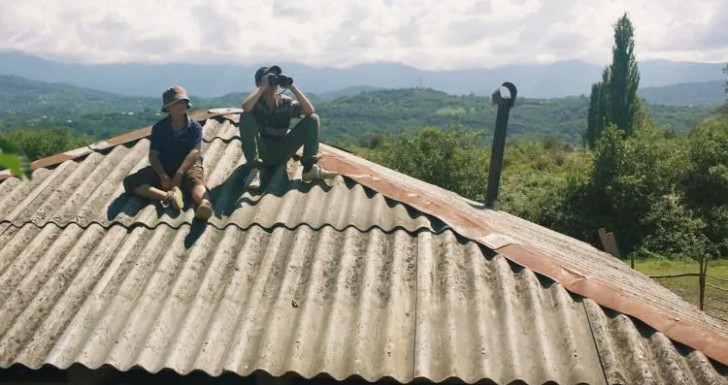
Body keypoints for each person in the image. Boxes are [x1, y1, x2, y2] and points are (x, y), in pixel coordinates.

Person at [123, 85, 214, 221]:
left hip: (188, 165)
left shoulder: (195, 127)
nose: (180, 106)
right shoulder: (159, 128)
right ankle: (168, 197)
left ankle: (205, 204)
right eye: (176, 103)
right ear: (168, 108)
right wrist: (162, 175)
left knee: (196, 181)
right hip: (165, 165)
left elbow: (194, 152)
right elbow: (153, 155)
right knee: (131, 181)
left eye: (182, 102)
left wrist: (179, 173)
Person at [239, 65, 335, 189]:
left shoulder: (285, 102)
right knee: (246, 116)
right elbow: (246, 107)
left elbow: (310, 110)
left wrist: (292, 87)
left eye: (275, 79)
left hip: (282, 151)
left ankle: (309, 169)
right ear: (259, 82)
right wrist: (263, 87)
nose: (273, 82)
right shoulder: (255, 103)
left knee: (313, 118)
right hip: (262, 151)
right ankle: (254, 170)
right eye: (269, 78)